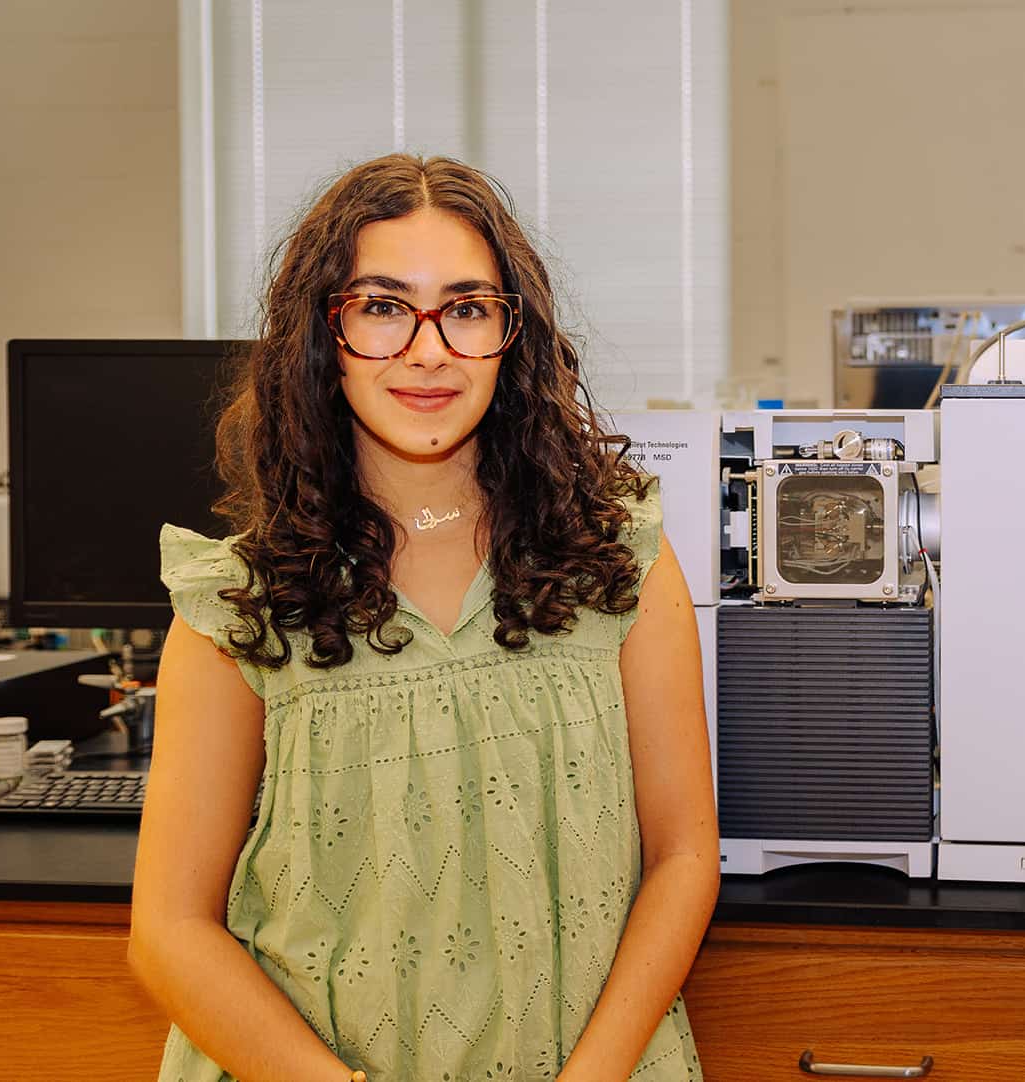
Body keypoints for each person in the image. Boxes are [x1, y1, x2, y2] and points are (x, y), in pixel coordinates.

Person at [128, 154, 718, 1081]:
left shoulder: (620, 559)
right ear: (324, 335)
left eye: (469, 308)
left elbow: (683, 855)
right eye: (383, 306)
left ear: (511, 336)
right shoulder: (238, 601)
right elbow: (168, 933)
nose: (428, 349)